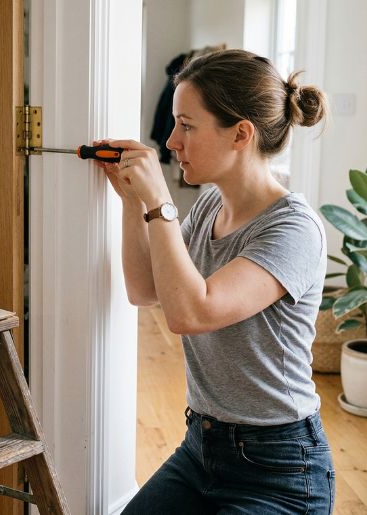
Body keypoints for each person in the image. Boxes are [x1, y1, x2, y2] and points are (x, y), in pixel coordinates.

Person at [98, 49, 334, 514]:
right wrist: (132, 202)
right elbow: (146, 289)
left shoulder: (293, 229)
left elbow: (191, 312)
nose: (171, 141)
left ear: (241, 134)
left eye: (187, 125)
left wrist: (160, 202)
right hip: (201, 450)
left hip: (280, 468)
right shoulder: (210, 206)